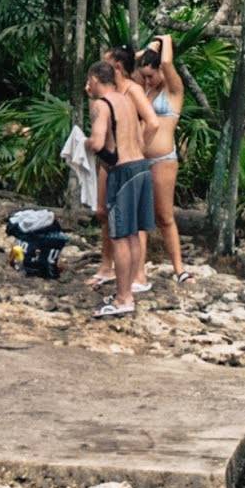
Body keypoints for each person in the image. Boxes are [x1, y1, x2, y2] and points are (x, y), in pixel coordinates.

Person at [83, 48, 156, 319]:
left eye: (89, 81)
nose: (86, 87)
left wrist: (85, 144)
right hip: (141, 168)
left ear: (96, 80)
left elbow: (99, 142)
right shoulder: (126, 98)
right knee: (133, 234)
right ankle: (128, 292)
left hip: (123, 173)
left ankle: (123, 296)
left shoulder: (101, 104)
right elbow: (148, 125)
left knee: (120, 237)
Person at [141, 36, 188, 277]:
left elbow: (168, 63)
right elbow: (132, 63)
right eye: (145, 76)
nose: (147, 80)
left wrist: (163, 41)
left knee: (164, 216)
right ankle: (137, 270)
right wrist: (149, 51)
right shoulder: (147, 88)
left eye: (151, 75)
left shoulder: (174, 90)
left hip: (163, 159)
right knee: (140, 216)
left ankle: (179, 269)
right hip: (140, 159)